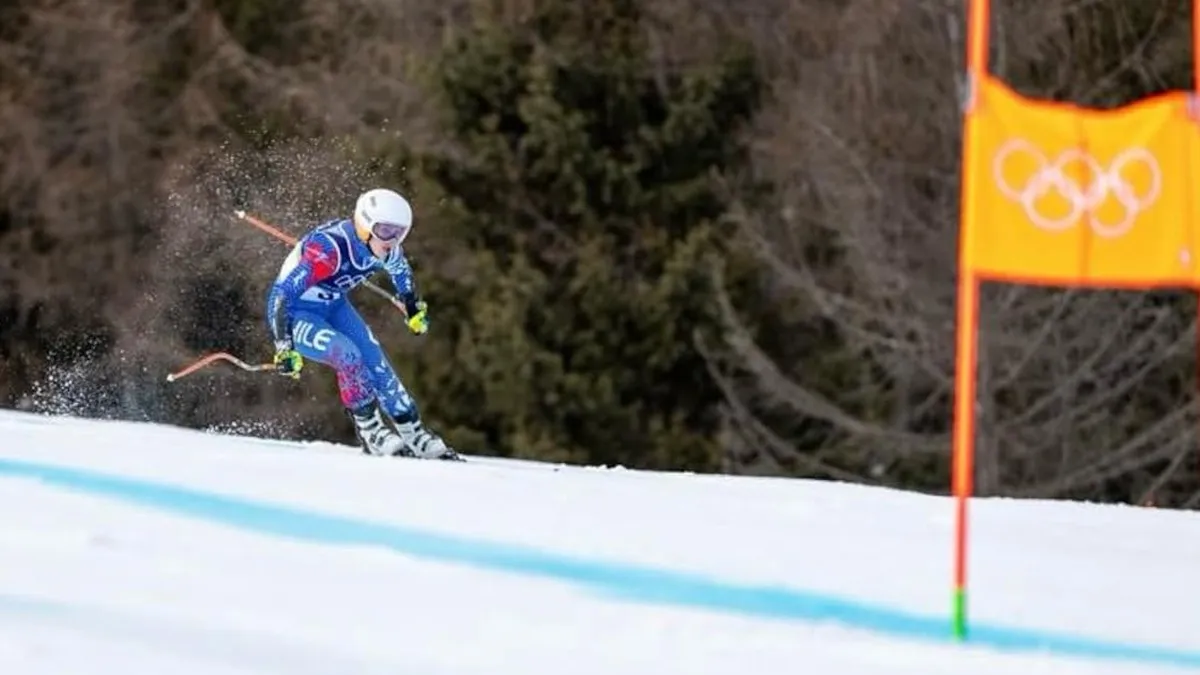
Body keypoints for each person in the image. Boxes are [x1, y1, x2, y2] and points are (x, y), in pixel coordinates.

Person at [263, 187, 459, 460]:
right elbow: (281, 296)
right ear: (365, 226)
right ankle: (372, 432)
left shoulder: (386, 249)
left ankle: (414, 433)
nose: (393, 240)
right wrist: (284, 345)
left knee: (375, 360)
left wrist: (413, 307)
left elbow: (401, 273)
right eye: (386, 231)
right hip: (298, 314)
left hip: (334, 306)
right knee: (348, 356)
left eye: (400, 232)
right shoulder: (328, 251)